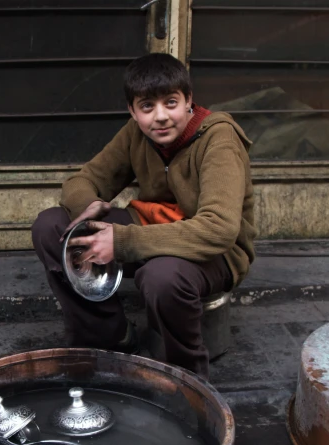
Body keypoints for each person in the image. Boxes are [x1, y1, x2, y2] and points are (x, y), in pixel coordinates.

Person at [31, 53, 256, 379]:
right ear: (133, 111)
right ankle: (109, 337)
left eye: (171, 103)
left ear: (189, 101)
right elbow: (82, 181)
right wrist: (88, 206)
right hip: (152, 227)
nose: (160, 117)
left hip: (216, 250)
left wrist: (121, 242)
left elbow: (219, 229)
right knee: (51, 226)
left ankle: (186, 379)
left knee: (162, 276)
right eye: (147, 107)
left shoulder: (218, 139)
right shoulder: (135, 133)